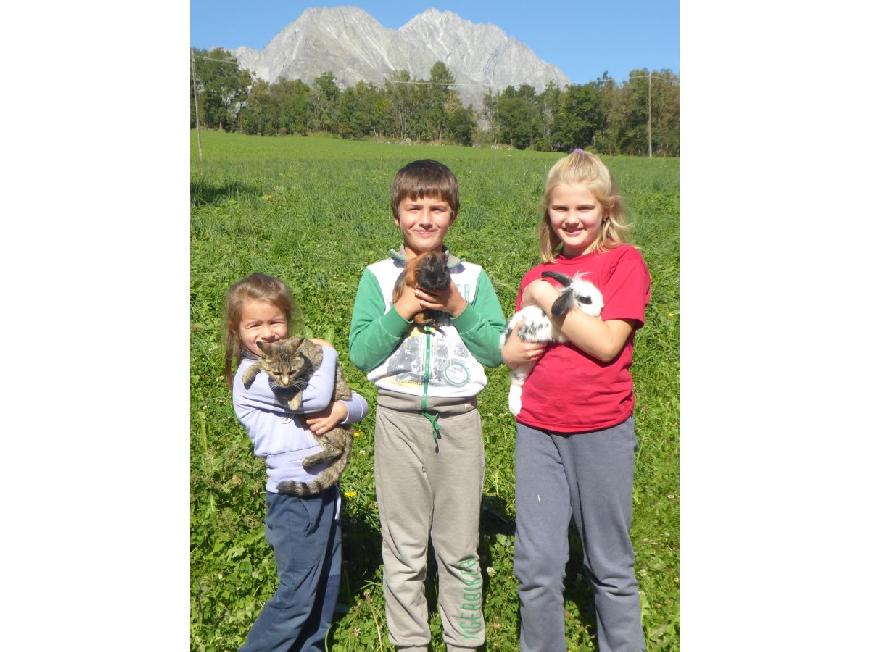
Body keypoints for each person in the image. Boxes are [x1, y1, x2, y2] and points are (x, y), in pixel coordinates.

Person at [348, 160, 506, 652]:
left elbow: (496, 350)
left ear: (453, 215)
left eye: (437, 208)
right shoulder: (376, 277)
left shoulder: (473, 278)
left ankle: (464, 642)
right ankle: (409, 642)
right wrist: (405, 308)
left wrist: (457, 305)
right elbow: (361, 352)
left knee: (460, 546)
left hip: (460, 421)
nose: (424, 218)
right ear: (395, 215)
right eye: (413, 207)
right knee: (404, 546)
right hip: (397, 419)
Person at [501, 150, 651, 652]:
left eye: (584, 209)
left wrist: (551, 301)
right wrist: (508, 351)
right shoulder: (536, 272)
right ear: (548, 212)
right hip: (538, 428)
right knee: (537, 565)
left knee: (608, 562)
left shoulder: (622, 263)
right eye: (561, 209)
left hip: (602, 427)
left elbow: (607, 343)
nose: (572, 219)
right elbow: (518, 345)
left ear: (606, 209)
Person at [224, 272, 369, 652]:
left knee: (325, 586)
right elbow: (318, 399)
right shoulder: (251, 378)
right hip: (294, 499)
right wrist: (330, 353)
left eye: (276, 321)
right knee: (297, 596)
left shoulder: (289, 363)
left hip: (324, 490)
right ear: (237, 330)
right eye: (255, 324)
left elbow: (359, 405)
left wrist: (345, 409)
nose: (268, 332)